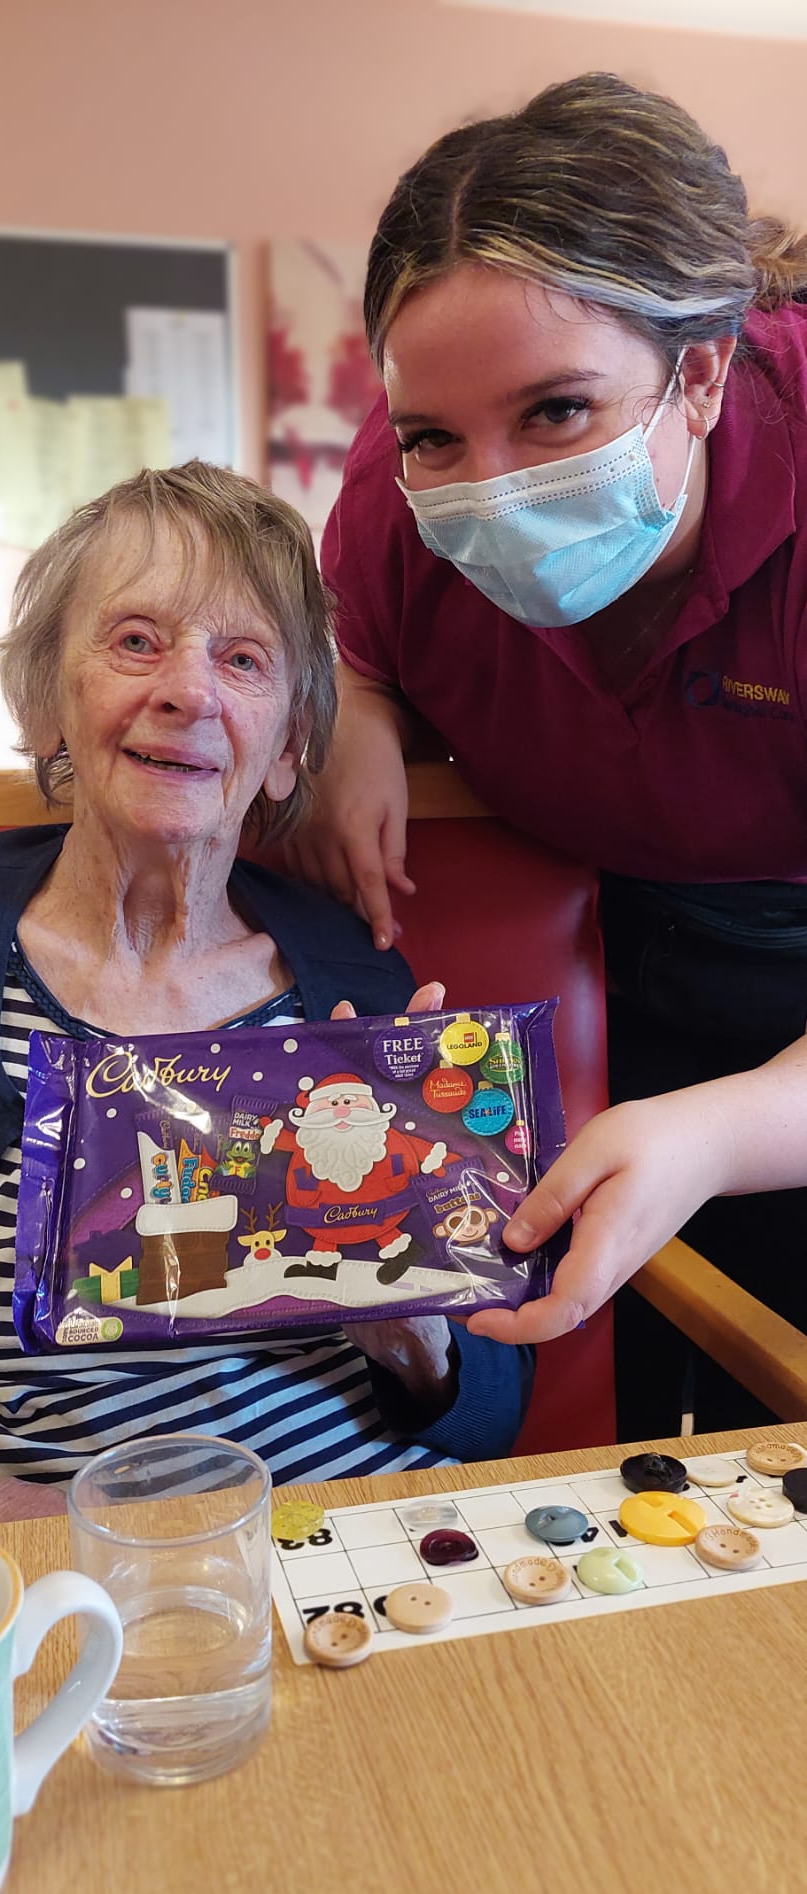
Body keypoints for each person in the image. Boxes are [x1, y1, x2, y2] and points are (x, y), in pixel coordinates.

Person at [291, 70, 807, 1432]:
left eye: (557, 413)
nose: (493, 487)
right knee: (590, 1388)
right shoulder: (391, 502)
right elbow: (351, 638)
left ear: (699, 375)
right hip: (592, 954)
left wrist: (722, 1127)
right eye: (433, 438)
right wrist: (355, 711)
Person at [0, 461, 529, 1524]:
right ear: (47, 704)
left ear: (286, 749)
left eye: (242, 659)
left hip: (361, 1543)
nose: (189, 691)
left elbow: (491, 1417)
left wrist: (416, 1329)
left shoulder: (355, 980)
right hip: (49, 1566)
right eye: (137, 641)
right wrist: (23, 1531)